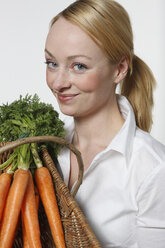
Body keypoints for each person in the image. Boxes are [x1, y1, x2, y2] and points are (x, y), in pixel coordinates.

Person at [44, 0, 165, 247]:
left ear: (119, 69)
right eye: (51, 63)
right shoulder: (46, 147)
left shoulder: (153, 170)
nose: (58, 83)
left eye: (79, 66)